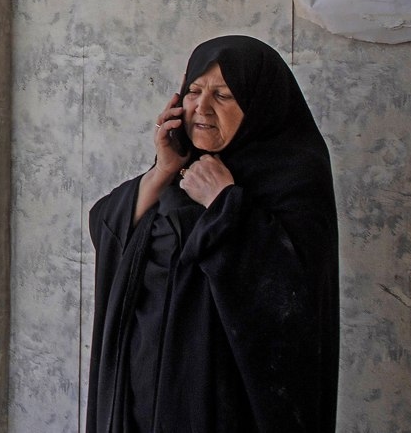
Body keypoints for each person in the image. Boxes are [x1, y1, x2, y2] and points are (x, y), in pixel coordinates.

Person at [87, 36, 339, 433]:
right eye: (194, 91)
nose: (201, 108)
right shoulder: (182, 167)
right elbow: (107, 227)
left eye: (223, 95)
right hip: (143, 395)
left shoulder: (294, 177)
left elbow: (294, 297)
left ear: (259, 105)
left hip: (226, 403)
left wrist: (224, 203)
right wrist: (162, 171)